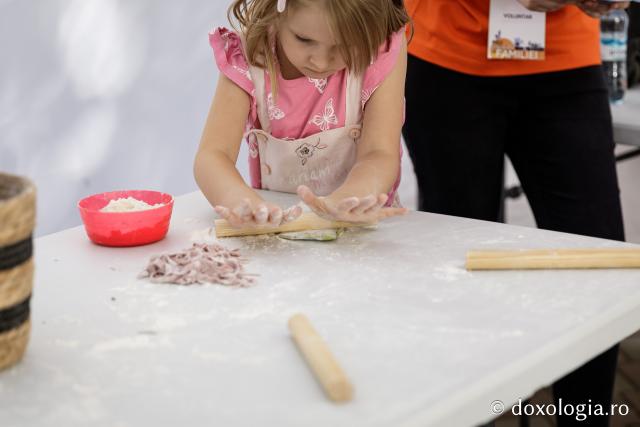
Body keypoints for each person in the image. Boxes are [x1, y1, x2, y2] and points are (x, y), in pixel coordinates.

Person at [402, 0, 629, 426]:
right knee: (460, 267)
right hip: (447, 58)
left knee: (597, 265)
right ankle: (469, 415)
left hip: (566, 59)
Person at [194, 0, 409, 229]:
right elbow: (213, 156)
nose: (320, 61)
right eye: (304, 40)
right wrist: (239, 201)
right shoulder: (251, 55)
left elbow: (379, 152)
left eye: (346, 44)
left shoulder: (379, 50)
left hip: (361, 227)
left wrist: (353, 197)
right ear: (275, 12)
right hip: (279, 229)